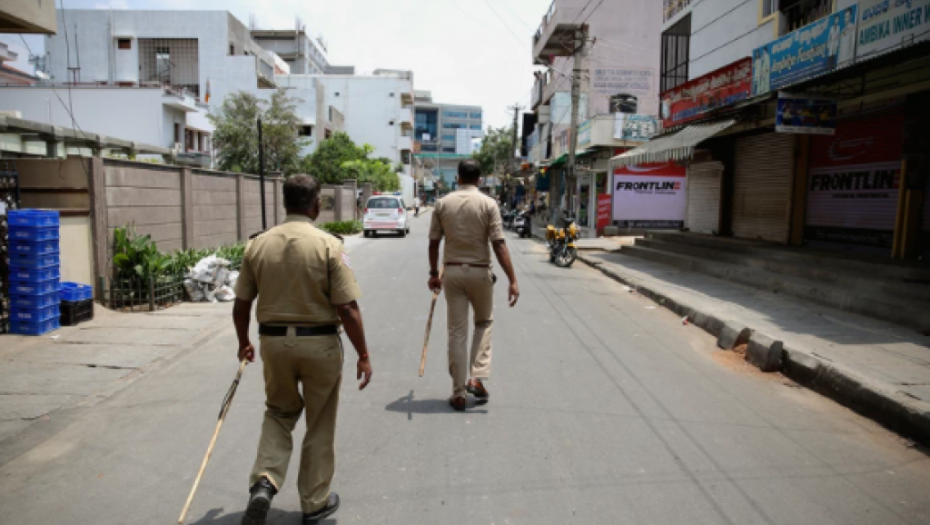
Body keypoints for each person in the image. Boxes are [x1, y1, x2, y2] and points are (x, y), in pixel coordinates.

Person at [233, 174, 373, 525]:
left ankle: (265, 481)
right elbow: (347, 308)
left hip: (273, 343)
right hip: (320, 344)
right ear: (316, 204)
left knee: (278, 412)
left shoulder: (257, 245)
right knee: (319, 420)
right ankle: (314, 501)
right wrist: (363, 354)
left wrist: (243, 342)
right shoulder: (329, 245)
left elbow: (241, 305)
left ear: (284, 203)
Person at [427, 159, 520, 411]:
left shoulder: (442, 203)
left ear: (457, 178)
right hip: (480, 273)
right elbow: (499, 244)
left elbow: (434, 242)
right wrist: (512, 279)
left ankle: (458, 393)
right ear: (479, 179)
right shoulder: (489, 204)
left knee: (457, 332)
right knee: (484, 323)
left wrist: (434, 274)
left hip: (452, 272)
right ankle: (475, 377)